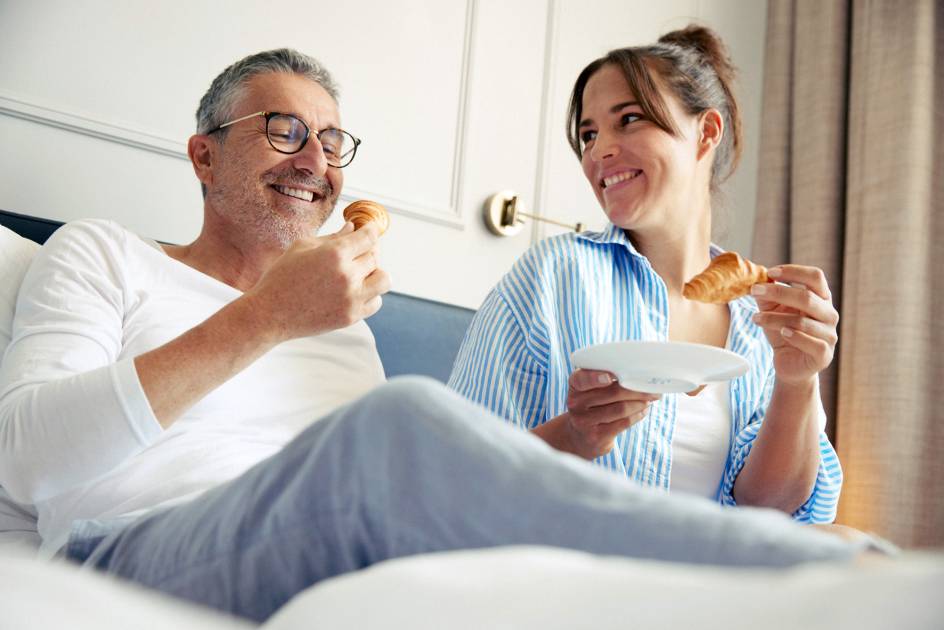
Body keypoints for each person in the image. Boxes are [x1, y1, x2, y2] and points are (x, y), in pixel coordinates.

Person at [0, 48, 869, 623]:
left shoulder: (337, 319)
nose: (316, 162)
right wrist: (266, 316)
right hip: (133, 549)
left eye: (332, 142)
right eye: (285, 132)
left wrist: (575, 435)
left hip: (328, 565)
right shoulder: (103, 252)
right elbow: (26, 462)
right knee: (400, 425)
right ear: (204, 155)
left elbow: (398, 493)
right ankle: (786, 582)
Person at [449, 26, 842, 522]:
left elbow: (771, 509)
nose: (598, 152)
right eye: (589, 134)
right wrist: (574, 435)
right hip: (570, 561)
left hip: (708, 566)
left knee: (850, 546)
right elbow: (457, 473)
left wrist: (798, 380)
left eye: (629, 120)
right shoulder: (553, 276)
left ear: (707, 132)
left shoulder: (763, 318)